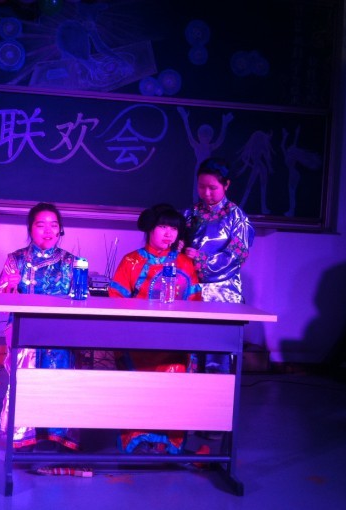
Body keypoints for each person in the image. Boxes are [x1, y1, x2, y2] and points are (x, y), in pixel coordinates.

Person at [108, 203, 201, 454]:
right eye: (162, 227)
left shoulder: (184, 263)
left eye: (174, 228)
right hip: (137, 340)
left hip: (173, 342)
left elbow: (194, 302)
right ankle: (137, 440)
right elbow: (116, 299)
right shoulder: (131, 260)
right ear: (150, 228)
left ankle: (167, 442)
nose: (169, 233)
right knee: (139, 387)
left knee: (174, 375)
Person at [0, 202, 80, 451]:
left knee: (59, 378)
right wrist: (11, 286)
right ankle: (22, 436)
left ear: (60, 229)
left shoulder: (72, 262)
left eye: (54, 225)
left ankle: (58, 435)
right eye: (41, 225)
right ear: (30, 229)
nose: (48, 231)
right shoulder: (16, 260)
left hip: (60, 333)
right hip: (26, 331)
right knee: (26, 377)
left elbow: (81, 301)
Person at [183, 158, 254, 372]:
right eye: (201, 187)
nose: (206, 193)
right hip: (192, 289)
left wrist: (200, 258)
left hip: (222, 291)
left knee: (217, 347)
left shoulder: (237, 217)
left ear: (226, 185)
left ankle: (217, 390)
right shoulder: (190, 213)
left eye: (212, 188)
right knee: (188, 342)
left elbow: (237, 256)